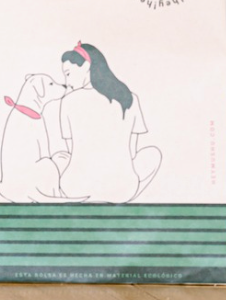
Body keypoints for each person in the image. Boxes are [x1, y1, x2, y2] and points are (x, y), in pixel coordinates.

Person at [52, 42, 161, 203]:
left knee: (58, 157)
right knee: (153, 154)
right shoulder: (129, 98)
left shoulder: (67, 101)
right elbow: (132, 150)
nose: (66, 82)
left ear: (86, 66)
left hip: (76, 189)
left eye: (68, 74)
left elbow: (71, 149)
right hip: (123, 189)